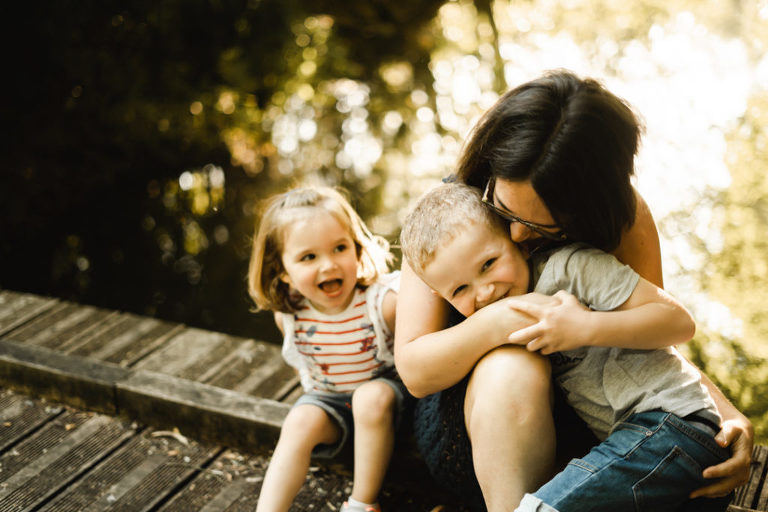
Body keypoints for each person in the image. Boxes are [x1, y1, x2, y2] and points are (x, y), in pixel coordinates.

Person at [394, 70, 753, 511]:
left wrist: (724, 414)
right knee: (513, 362)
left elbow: (645, 336)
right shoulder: (445, 222)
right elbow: (413, 367)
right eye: (503, 211)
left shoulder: (619, 220)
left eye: (539, 225)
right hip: (476, 429)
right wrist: (505, 318)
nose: (516, 236)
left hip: (596, 442)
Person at [400, 182, 732, 511]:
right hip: (631, 446)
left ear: (519, 241)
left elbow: (678, 322)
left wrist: (586, 326)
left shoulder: (572, 269)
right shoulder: (496, 317)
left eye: (488, 264)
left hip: (672, 427)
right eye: (460, 289)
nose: (485, 292)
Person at [249, 186, 408, 512]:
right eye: (309, 257)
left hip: (387, 406)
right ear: (282, 270)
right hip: (332, 407)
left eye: (339, 248)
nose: (328, 265)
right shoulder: (290, 314)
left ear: (356, 248)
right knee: (299, 419)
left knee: (369, 398)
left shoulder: (383, 303)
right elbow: (308, 368)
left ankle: (363, 503)